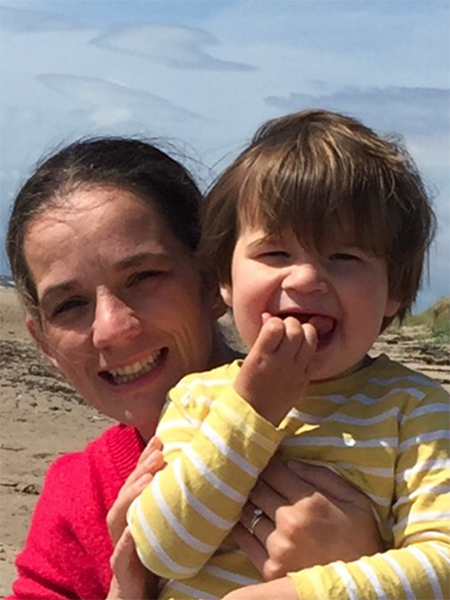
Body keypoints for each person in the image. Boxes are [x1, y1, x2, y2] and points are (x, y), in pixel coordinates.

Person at [5, 136, 383, 600]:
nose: (111, 329)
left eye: (143, 277)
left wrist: (368, 569)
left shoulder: (386, 428)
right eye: (69, 305)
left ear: (212, 281)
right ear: (43, 341)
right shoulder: (79, 495)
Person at [128, 110, 450, 600]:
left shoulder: (414, 410)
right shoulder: (199, 398)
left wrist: (306, 593)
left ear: (395, 291)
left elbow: (442, 563)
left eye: (344, 257)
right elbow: (162, 552)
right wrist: (252, 408)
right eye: (275, 254)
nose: (305, 279)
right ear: (225, 280)